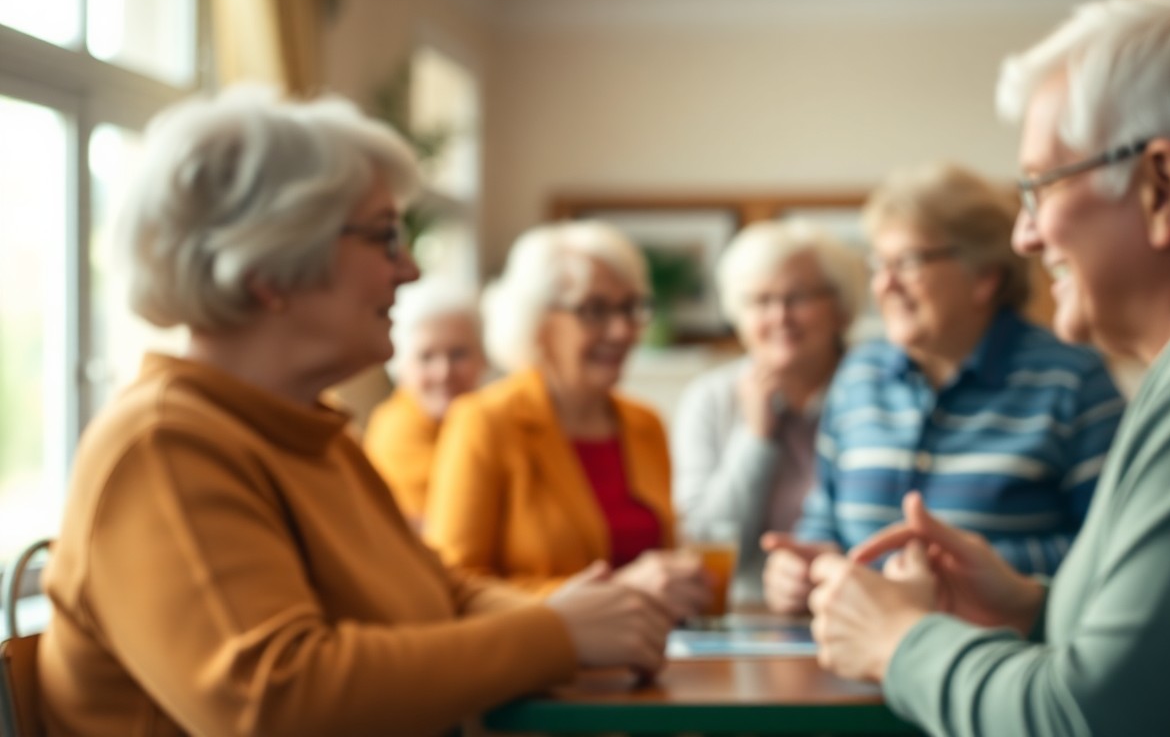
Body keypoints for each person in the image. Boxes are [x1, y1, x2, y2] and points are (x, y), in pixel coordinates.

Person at [37, 87, 672, 737]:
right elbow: (276, 700)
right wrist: (556, 634)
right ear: (270, 269)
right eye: (385, 238)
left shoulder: (313, 433)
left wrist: (590, 619)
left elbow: (443, 595)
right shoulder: (164, 444)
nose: (410, 270)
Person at [808, 0, 1170, 736]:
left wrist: (899, 643)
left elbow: (1098, 723)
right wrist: (1033, 609)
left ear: (1162, 186)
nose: (1024, 237)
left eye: (1040, 187)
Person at [763, 164, 1124, 615]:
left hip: (1000, 649)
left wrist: (965, 572)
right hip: (854, 646)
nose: (884, 284)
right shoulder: (858, 375)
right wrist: (798, 569)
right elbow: (825, 519)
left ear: (985, 277)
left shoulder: (1073, 381)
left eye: (907, 263)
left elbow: (1110, 548)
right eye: (878, 264)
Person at [423, 221, 711, 621]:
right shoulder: (484, 421)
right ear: (538, 323)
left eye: (631, 307)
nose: (622, 330)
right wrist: (614, 593)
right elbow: (452, 585)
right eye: (594, 310)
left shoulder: (645, 424)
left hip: (651, 650)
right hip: (541, 656)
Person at [673, 221, 867, 604]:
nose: (780, 317)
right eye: (760, 301)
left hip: (858, 604)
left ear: (841, 309)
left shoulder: (877, 394)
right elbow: (703, 544)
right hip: (745, 613)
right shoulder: (709, 399)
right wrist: (755, 437)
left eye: (798, 298)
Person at [364, 274, 488, 528]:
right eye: (426, 357)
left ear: (482, 358)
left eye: (458, 354)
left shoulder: (492, 418)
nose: (444, 373)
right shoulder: (395, 430)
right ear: (400, 365)